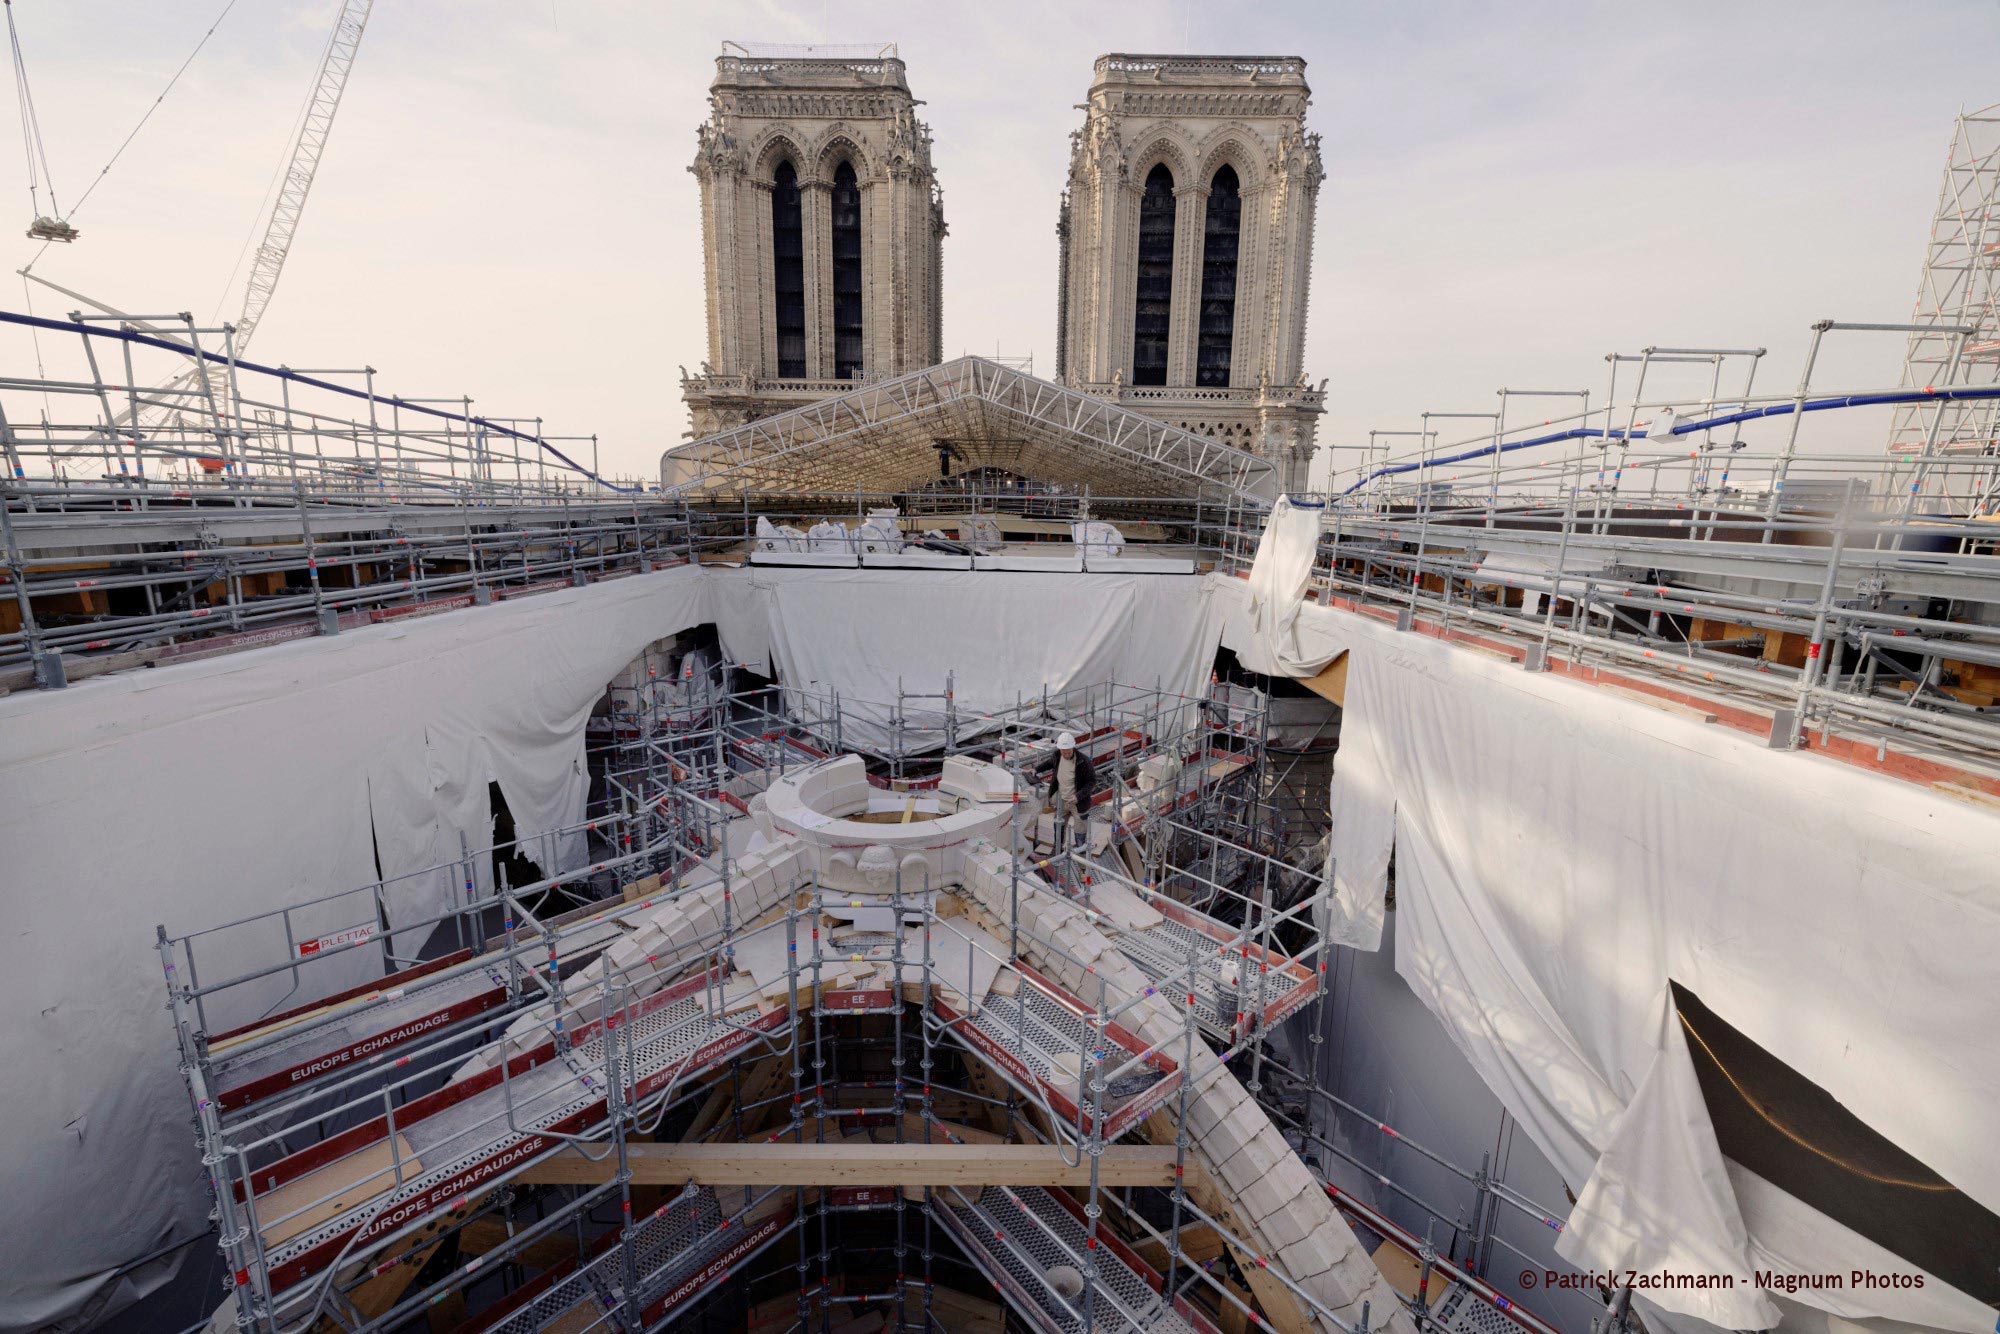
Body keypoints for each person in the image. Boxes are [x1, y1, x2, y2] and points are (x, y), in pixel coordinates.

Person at [1041, 732, 1097, 847]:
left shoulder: (1083, 761)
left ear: (1073, 747)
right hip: (1062, 800)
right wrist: (1035, 770)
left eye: (1068, 751)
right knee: (1058, 823)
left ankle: (1080, 846)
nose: (1066, 754)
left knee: (1080, 824)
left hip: (1078, 802)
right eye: (1063, 751)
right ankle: (1058, 848)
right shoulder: (1057, 756)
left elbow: (1091, 781)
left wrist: (1078, 796)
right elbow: (1048, 764)